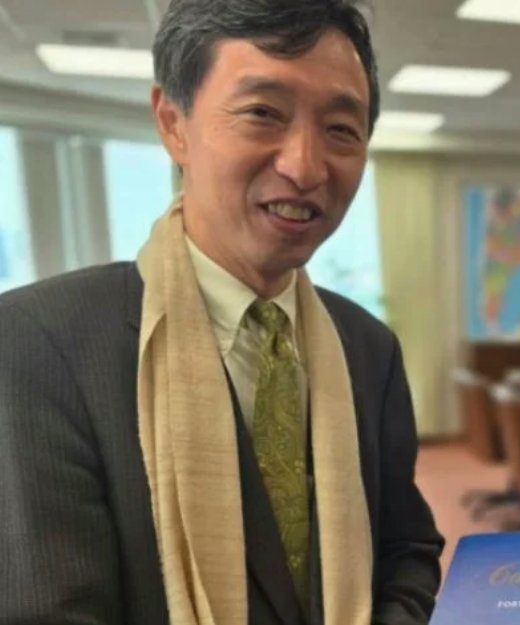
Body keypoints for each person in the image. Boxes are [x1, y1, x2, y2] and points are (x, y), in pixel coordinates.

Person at [0, 1, 442, 624]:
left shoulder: (367, 347)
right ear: (173, 123)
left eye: (342, 129)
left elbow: (405, 552)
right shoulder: (40, 343)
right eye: (263, 113)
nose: (305, 166)